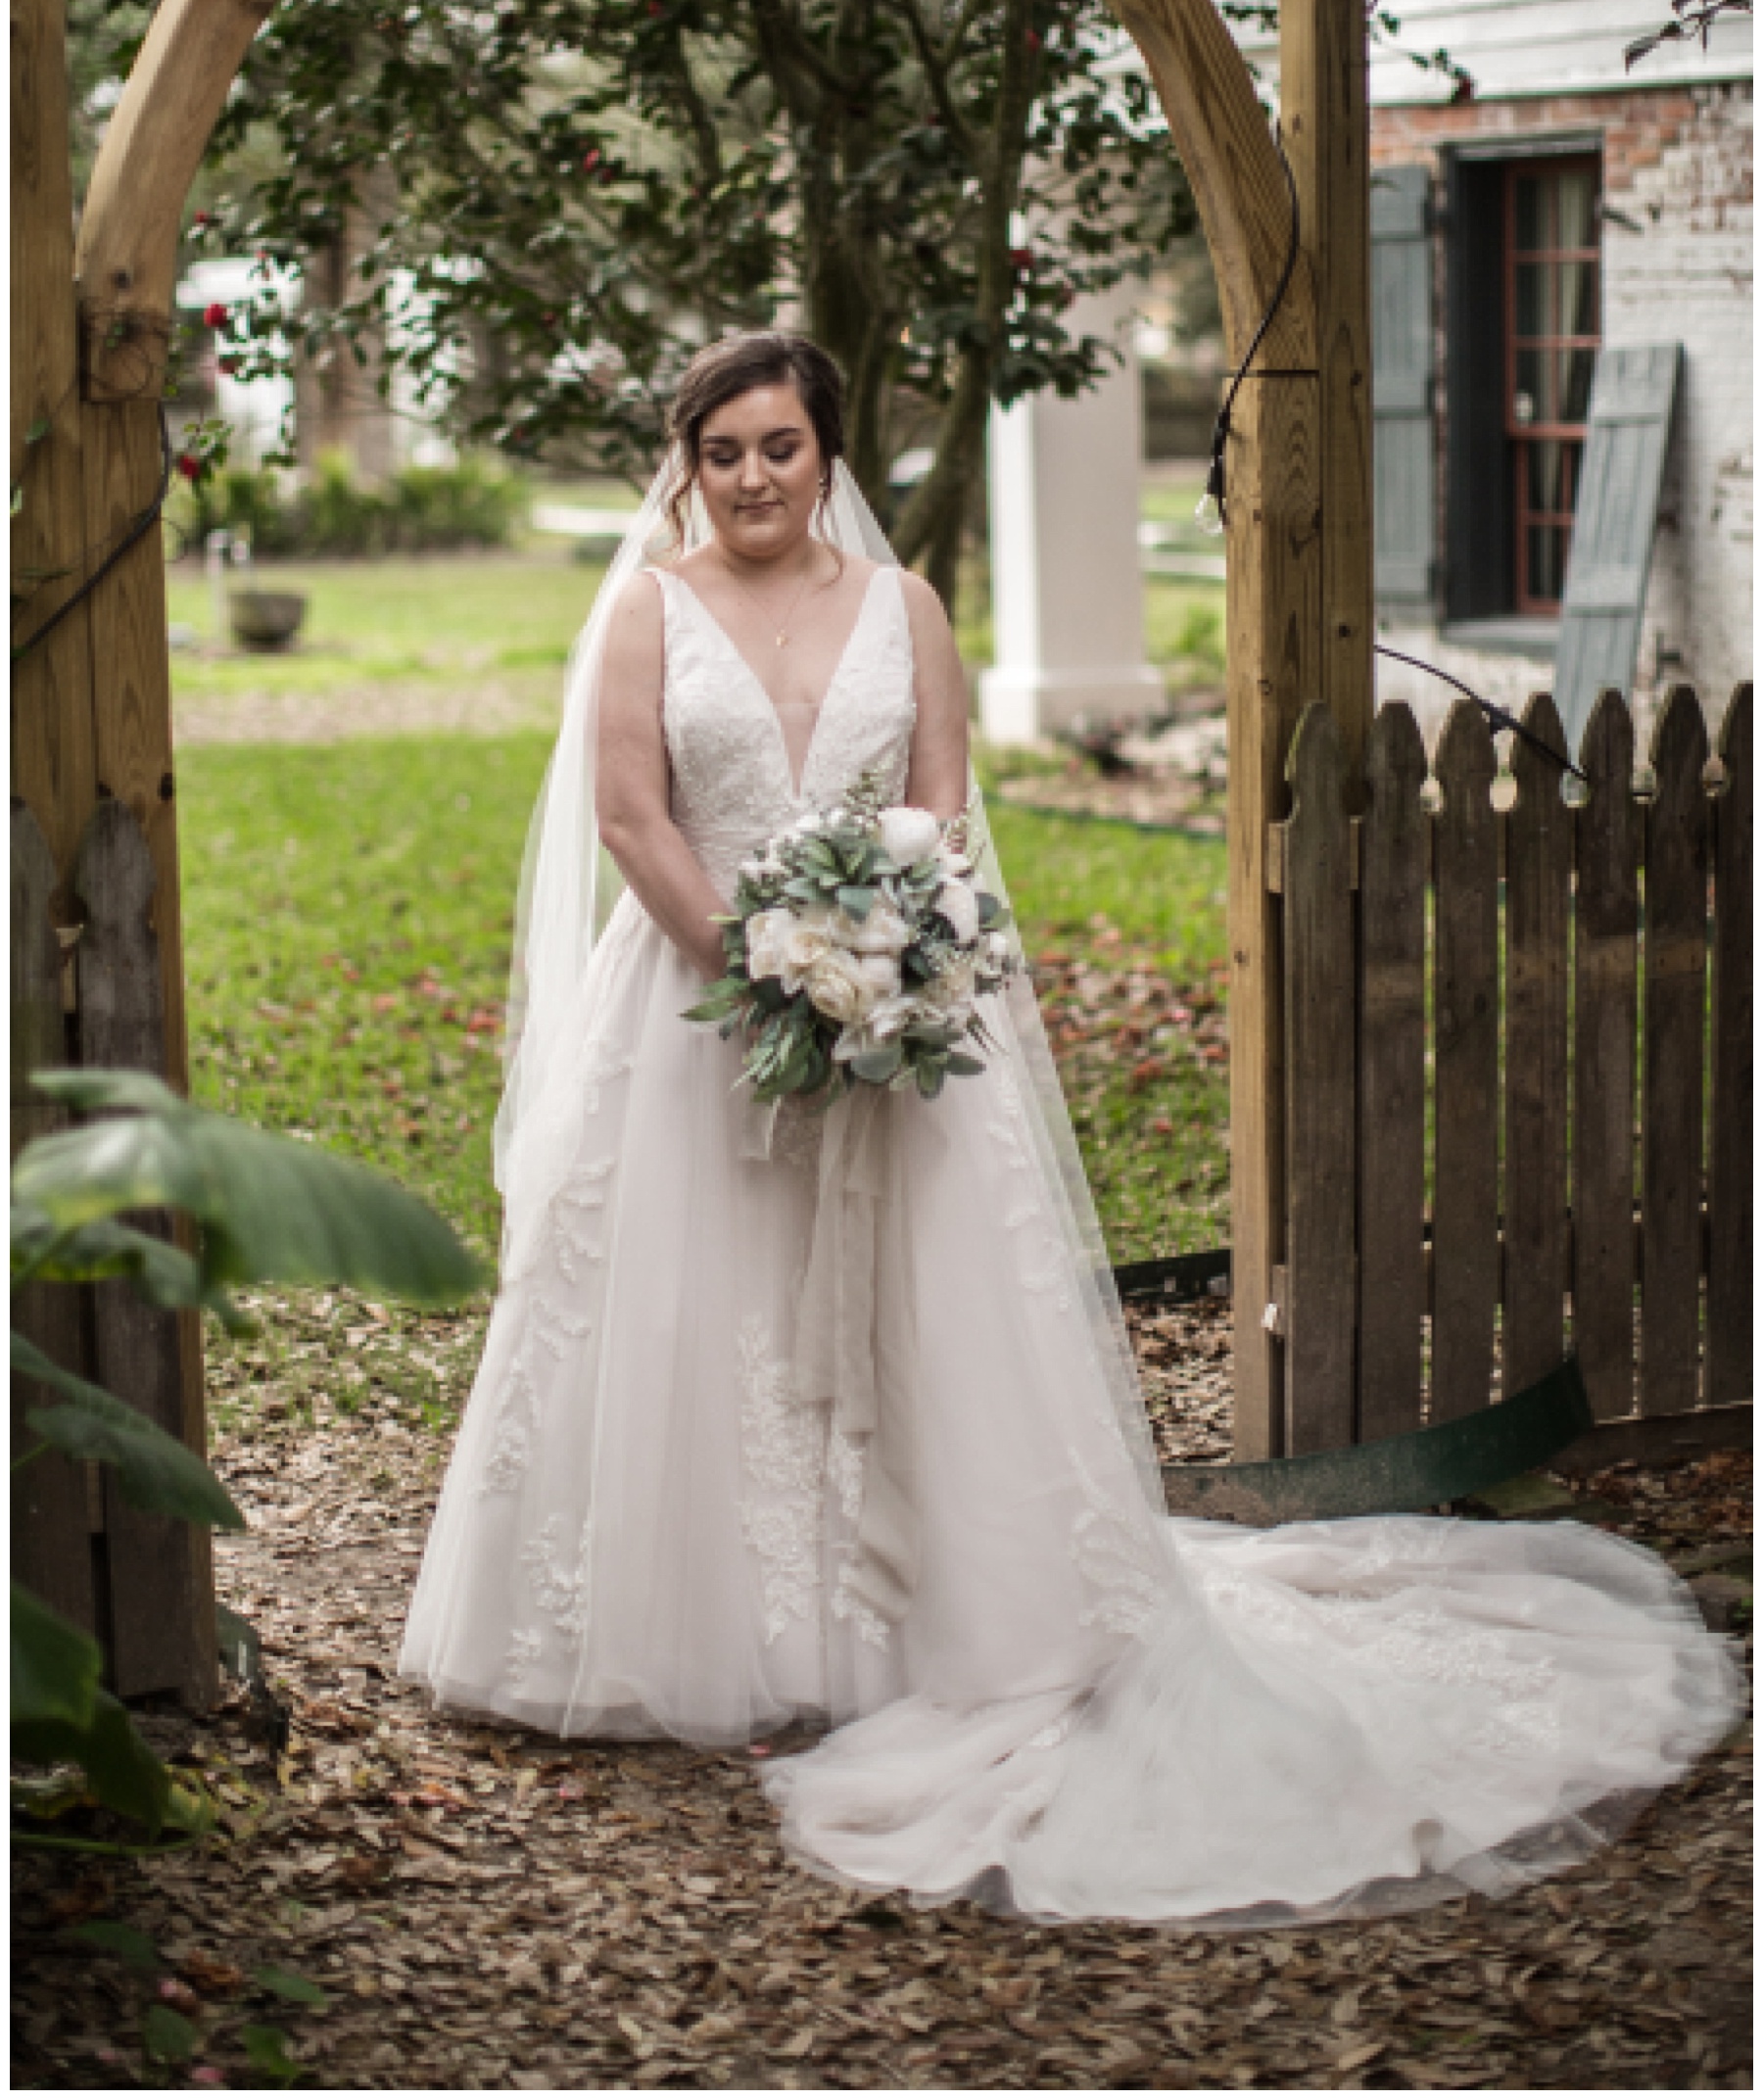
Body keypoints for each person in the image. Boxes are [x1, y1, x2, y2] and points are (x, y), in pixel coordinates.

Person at [402, 330, 1739, 1928]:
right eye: (724, 451)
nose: (754, 476)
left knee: (920, 1314)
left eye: (781, 445)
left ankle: (923, 1625)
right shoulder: (647, 607)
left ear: (830, 452)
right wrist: (766, 979)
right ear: (687, 463)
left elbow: (946, 812)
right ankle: (709, 1634)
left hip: (891, 1006)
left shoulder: (905, 609)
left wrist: (882, 975)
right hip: (698, 1019)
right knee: (700, 1312)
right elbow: (633, 815)